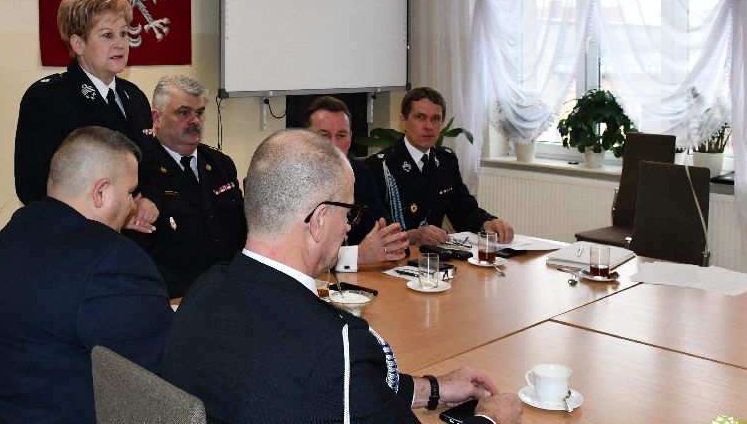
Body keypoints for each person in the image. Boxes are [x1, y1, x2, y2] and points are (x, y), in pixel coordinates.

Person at [162, 129, 521, 424]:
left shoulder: (202, 292)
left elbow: (332, 390)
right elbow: (337, 378)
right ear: (319, 221)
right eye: (348, 212)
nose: (349, 226)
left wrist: (432, 388)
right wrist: (489, 419)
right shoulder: (336, 345)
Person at [0, 126, 173, 424]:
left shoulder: (19, 227)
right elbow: (166, 375)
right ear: (100, 192)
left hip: (5, 408)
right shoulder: (112, 261)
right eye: (130, 193)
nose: (133, 205)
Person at [14, 0, 154, 207]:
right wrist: (119, 215)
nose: (120, 44)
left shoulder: (135, 98)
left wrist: (149, 201)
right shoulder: (47, 99)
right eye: (107, 35)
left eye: (124, 33)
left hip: (138, 228)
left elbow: (151, 170)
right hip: (79, 227)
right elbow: (33, 187)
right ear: (78, 44)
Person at [131, 75, 248, 297]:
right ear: (156, 118)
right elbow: (141, 253)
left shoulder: (219, 163)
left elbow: (242, 232)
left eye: (200, 113)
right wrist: (187, 296)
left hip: (233, 289)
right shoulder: (140, 171)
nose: (195, 121)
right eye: (183, 112)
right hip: (177, 298)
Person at [366, 87, 515, 246]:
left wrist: (487, 223)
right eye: (420, 117)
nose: (429, 126)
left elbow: (462, 209)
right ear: (403, 121)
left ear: (442, 123)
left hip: (435, 255)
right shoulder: (379, 166)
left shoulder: (446, 161)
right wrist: (412, 236)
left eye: (435, 118)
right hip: (396, 255)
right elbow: (372, 229)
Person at [304, 95, 409, 269]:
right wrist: (357, 255)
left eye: (341, 135)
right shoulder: (292, 178)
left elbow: (385, 231)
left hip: (355, 279)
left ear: (350, 138)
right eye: (324, 135)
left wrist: (392, 240)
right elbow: (297, 256)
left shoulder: (360, 172)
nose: (333, 144)